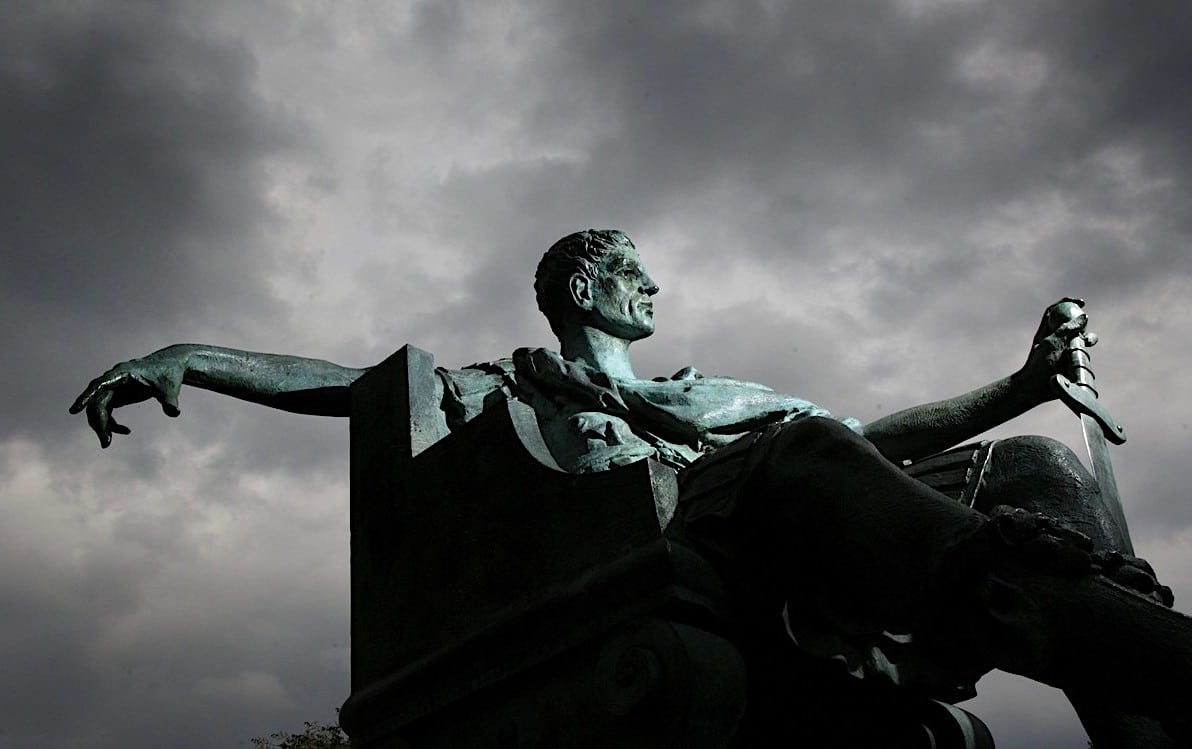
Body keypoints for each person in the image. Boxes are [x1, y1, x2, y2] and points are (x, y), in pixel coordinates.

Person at [73, 229, 1191, 746]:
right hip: (656, 533)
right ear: (581, 285)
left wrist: (1020, 387)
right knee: (797, 453)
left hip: (792, 515)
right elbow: (357, 387)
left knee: (1035, 467)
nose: (654, 286)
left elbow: (864, 443)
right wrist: (197, 355)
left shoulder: (710, 387)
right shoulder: (520, 380)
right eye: (632, 272)